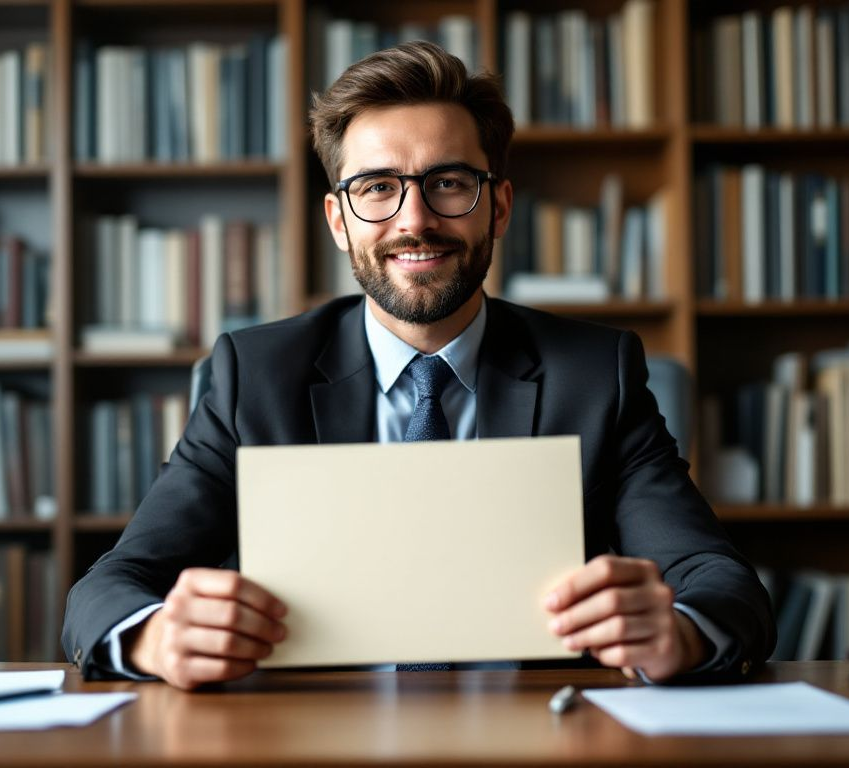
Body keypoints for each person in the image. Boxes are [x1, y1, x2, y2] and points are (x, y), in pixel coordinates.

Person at [62, 41, 775, 690]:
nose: (414, 220)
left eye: (449, 182)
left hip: (539, 735)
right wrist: (155, 637)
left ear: (497, 207)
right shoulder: (256, 375)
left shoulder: (596, 374)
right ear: (339, 220)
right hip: (308, 734)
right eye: (377, 187)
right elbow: (110, 587)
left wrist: (676, 631)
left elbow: (719, 582)